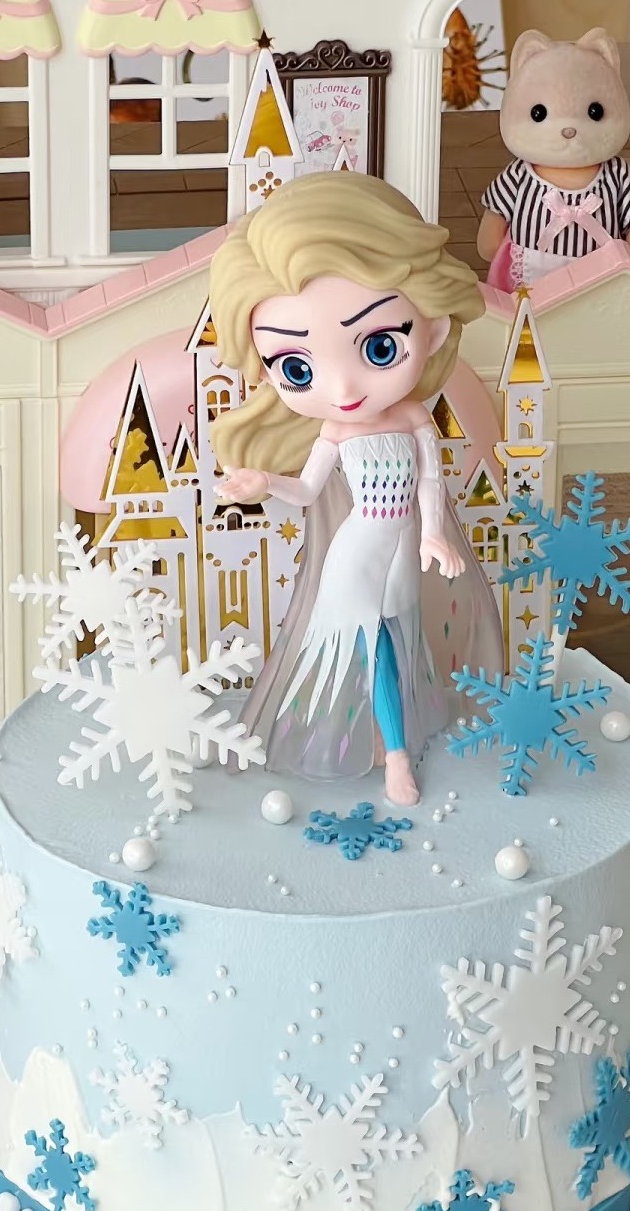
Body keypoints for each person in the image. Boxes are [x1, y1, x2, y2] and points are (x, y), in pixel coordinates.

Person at [209, 173, 503, 808]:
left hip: (402, 546)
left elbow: (431, 481)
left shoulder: (414, 417)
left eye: (378, 346)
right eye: (297, 368)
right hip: (357, 548)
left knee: (397, 636)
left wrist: (431, 535)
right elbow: (306, 490)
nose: (343, 389)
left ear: (433, 327)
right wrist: (264, 482)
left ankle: (379, 731)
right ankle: (395, 755)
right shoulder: (334, 431)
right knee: (372, 644)